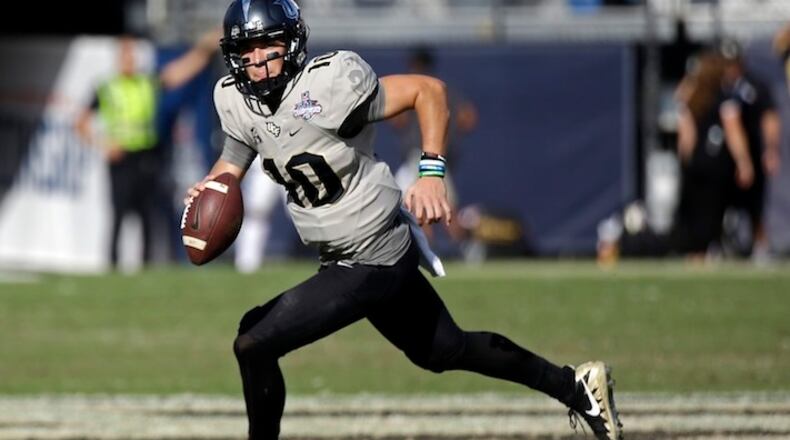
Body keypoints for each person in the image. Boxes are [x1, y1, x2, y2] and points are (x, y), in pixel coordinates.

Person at [185, 1, 623, 439]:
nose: (259, 61)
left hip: (373, 252)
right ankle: (575, 387)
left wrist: (431, 174)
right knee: (447, 349)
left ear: (293, 43)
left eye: (270, 46)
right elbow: (233, 158)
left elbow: (428, 91)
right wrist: (211, 191)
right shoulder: (235, 98)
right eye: (248, 51)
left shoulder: (330, 83)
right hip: (344, 256)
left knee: (254, 341)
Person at [77, 30, 220, 268]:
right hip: (121, 158)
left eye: (132, 53)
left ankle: (145, 267)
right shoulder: (107, 87)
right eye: (125, 53)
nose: (129, 59)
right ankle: (112, 266)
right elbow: (80, 123)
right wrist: (103, 144)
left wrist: (203, 49)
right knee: (119, 215)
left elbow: (180, 72)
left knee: (146, 216)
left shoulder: (147, 82)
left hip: (146, 156)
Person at [392, 46, 477, 246]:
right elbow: (469, 118)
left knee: (428, 206)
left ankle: (441, 249)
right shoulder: (444, 88)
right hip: (440, 154)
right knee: (438, 204)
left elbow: (398, 121)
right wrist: (450, 133)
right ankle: (459, 249)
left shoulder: (413, 87)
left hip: (422, 153)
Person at [720, 40, 781, 259]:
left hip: (751, 152)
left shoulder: (754, 87)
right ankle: (721, 245)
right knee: (722, 204)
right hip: (723, 158)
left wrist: (770, 150)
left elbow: (769, 118)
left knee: (756, 203)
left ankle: (760, 245)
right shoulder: (718, 87)